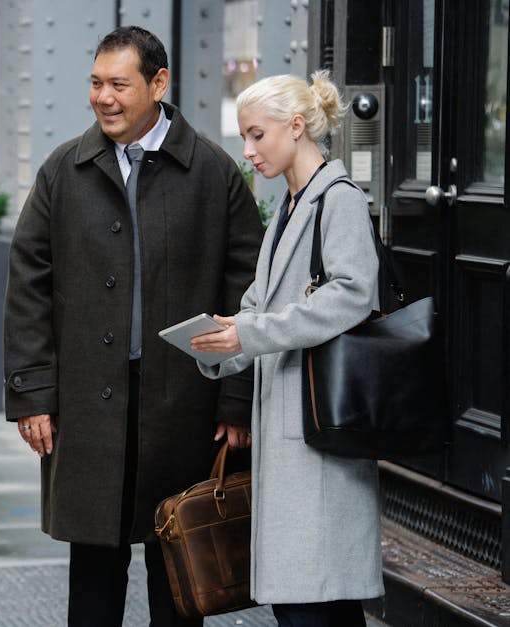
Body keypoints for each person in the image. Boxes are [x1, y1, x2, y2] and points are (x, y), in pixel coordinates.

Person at [4, 26, 263, 625]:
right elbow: (27, 285)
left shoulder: (213, 173)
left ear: (159, 84)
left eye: (119, 84)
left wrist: (236, 398)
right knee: (94, 569)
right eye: (95, 83)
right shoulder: (64, 169)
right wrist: (32, 394)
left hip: (186, 405)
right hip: (87, 404)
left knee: (180, 571)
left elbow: (248, 292)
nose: (103, 97)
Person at [191, 71, 384, 626]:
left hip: (322, 429)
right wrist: (218, 343)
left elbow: (352, 295)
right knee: (309, 603)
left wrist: (248, 333)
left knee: (315, 603)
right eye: (244, 138)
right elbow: (258, 304)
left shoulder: (337, 200)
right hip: (295, 430)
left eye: (257, 135)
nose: (248, 151)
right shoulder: (290, 207)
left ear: (296, 127)